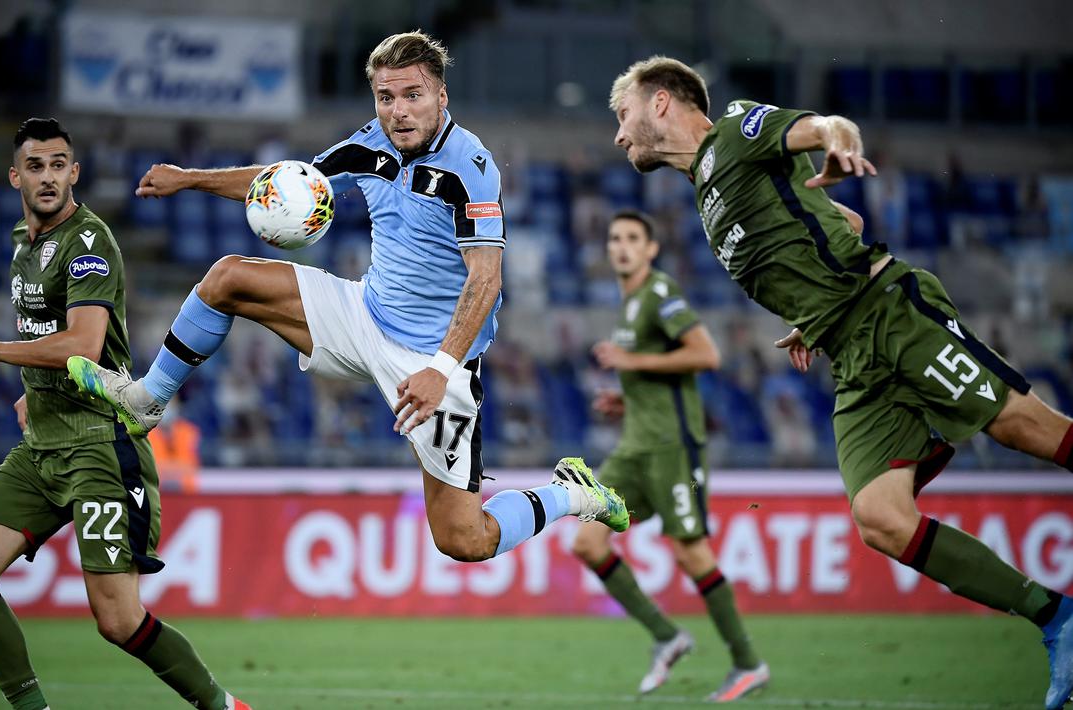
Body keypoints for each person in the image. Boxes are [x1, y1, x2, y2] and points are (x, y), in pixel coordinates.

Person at [608, 56, 1073, 709]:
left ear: (660, 103)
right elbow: (843, 224)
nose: (618, 134)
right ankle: (1058, 621)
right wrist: (809, 314)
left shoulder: (736, 131)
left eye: (621, 113)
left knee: (1030, 430)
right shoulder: (707, 190)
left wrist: (838, 141)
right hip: (848, 352)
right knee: (880, 518)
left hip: (890, 314)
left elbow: (824, 126)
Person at [68, 31, 628, 564]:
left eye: (413, 95)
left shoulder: (470, 168)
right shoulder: (372, 143)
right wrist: (191, 178)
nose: (398, 110)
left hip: (433, 362)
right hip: (364, 315)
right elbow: (290, 181)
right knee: (227, 278)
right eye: (387, 97)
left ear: (440, 94)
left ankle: (571, 494)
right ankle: (147, 398)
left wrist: (440, 369)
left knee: (464, 539)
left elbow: (487, 281)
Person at [0, 118, 250, 710]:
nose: (48, 177)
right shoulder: (22, 245)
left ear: (74, 173)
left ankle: (223, 706)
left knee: (119, 620)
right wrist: (34, 386)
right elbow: (49, 335)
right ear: (15, 176)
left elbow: (82, 344)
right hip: (41, 446)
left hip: (98, 446)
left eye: (59, 165)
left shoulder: (88, 242)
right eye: (36, 166)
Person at [574, 209, 767, 701]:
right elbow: (658, 374)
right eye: (614, 238)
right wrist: (627, 396)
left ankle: (748, 663)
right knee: (588, 543)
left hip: (671, 448)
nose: (621, 246)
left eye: (632, 239)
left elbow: (706, 354)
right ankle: (667, 636)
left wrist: (630, 363)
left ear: (651, 249)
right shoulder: (629, 303)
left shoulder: (659, 293)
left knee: (689, 551)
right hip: (634, 446)